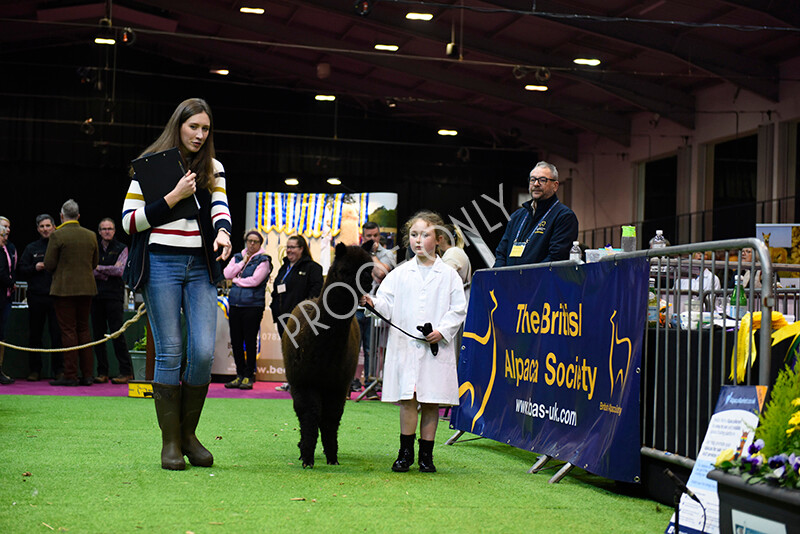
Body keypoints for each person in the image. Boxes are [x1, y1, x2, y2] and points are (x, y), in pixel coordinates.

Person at [121, 97, 232, 470]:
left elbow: (220, 207)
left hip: (201, 267)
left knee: (202, 353)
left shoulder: (213, 167)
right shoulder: (151, 166)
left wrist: (224, 233)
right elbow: (128, 222)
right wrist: (173, 197)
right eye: (193, 127)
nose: (200, 135)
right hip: (160, 264)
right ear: (178, 125)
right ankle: (171, 443)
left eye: (205, 128)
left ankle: (188, 435)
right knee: (169, 351)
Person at [360, 210, 467, 473]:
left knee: (430, 400)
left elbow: (458, 308)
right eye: (414, 235)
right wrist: (373, 303)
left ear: (438, 238)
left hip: (435, 348)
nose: (418, 240)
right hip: (406, 346)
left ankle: (426, 456)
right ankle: (404, 453)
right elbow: (387, 303)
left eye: (425, 235)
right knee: (409, 398)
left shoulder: (449, 275)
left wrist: (442, 331)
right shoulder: (400, 273)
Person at [44, 200, 99, 387]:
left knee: (68, 331)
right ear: (78, 216)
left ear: (61, 216)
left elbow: (49, 264)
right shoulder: (91, 235)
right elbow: (94, 264)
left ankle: (70, 375)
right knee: (84, 330)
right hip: (87, 288)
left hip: (64, 290)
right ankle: (88, 375)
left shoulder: (57, 236)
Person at [494, 161, 579, 267]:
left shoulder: (564, 217)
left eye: (542, 180)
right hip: (510, 281)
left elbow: (556, 258)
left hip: (539, 282)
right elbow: (501, 253)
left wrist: (526, 278)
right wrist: (499, 276)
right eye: (532, 179)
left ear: (555, 186)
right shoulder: (517, 216)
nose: (536, 184)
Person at [269, 235, 323, 392]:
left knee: (303, 352)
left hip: (301, 320)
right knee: (289, 352)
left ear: (302, 249)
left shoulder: (313, 268)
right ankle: (291, 381)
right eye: (288, 247)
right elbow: (276, 290)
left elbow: (315, 294)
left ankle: (303, 384)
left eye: (293, 247)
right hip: (282, 318)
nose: (289, 250)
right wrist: (274, 307)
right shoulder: (284, 267)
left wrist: (305, 315)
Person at [223, 229, 271, 390]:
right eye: (249, 241)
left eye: (255, 241)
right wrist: (242, 262)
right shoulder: (237, 257)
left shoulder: (264, 260)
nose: (252, 244)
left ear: (260, 244)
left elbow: (255, 281)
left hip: (253, 306)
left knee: (250, 341)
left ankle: (249, 375)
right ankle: (239, 374)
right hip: (235, 305)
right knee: (236, 341)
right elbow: (227, 273)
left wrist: (237, 281)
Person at [353, 221, 396, 395]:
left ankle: (371, 384)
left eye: (375, 236)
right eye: (368, 236)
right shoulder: (355, 253)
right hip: (355, 306)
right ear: (363, 236)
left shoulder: (387, 254)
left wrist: (371, 254)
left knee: (372, 349)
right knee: (354, 347)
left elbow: (381, 274)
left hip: (375, 307)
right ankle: (351, 383)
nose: (372, 239)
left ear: (380, 236)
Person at [18, 214, 63, 382]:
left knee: (57, 335)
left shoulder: (60, 246)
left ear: (54, 226)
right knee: (35, 335)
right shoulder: (31, 248)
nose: (45, 229)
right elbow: (21, 270)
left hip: (56, 296)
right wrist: (34, 267)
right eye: (42, 226)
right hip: (36, 297)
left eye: (48, 226)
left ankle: (59, 370)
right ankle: (35, 370)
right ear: (38, 229)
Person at [91, 218, 135, 384]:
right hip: (96, 296)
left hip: (114, 297)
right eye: (103, 229)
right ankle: (102, 372)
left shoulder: (122, 248)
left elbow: (120, 270)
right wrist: (107, 270)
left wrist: (100, 269)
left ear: (115, 230)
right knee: (98, 336)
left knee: (117, 333)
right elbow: (89, 269)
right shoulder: (94, 246)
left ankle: (126, 371)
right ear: (99, 231)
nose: (107, 231)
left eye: (110, 228)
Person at [0, 221, 17, 385]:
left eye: (7, 227)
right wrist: (11, 283)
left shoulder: (10, 248)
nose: (6, 231)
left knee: (1, 335)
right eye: (2, 229)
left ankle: (0, 370)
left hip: (5, 299)